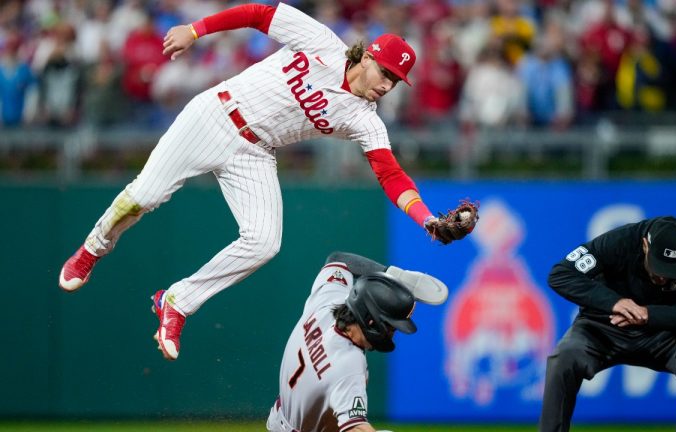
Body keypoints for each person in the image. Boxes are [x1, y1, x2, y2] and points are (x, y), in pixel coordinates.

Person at [58, 2, 459, 361]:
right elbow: (259, 14)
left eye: (396, 80)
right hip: (216, 115)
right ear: (368, 56)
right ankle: (93, 248)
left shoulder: (365, 118)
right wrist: (195, 30)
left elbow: (390, 173)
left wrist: (426, 220)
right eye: (386, 72)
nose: (387, 85)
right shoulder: (323, 42)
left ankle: (177, 301)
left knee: (265, 241)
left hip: (255, 153)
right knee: (145, 195)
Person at [540, 216, 676, 432]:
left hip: (662, 334)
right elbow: (561, 274)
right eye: (658, 266)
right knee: (564, 356)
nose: (663, 277)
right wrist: (614, 302)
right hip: (602, 328)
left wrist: (648, 314)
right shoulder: (621, 240)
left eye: (671, 271)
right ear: (645, 245)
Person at [267, 251, 447, 432]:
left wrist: (394, 274)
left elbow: (338, 260)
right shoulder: (350, 364)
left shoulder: (328, 302)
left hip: (279, 417)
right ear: (371, 320)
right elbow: (355, 428)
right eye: (391, 326)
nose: (393, 333)